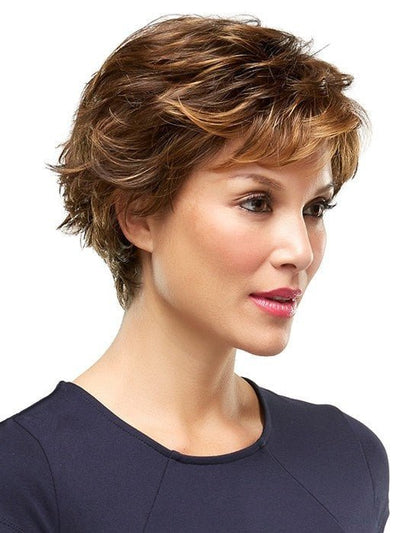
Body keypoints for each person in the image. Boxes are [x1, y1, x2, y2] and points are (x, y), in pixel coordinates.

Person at [0, 14, 390, 532]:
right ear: (139, 214)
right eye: (256, 202)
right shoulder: (24, 477)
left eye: (315, 208)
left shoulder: (348, 459)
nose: (300, 250)